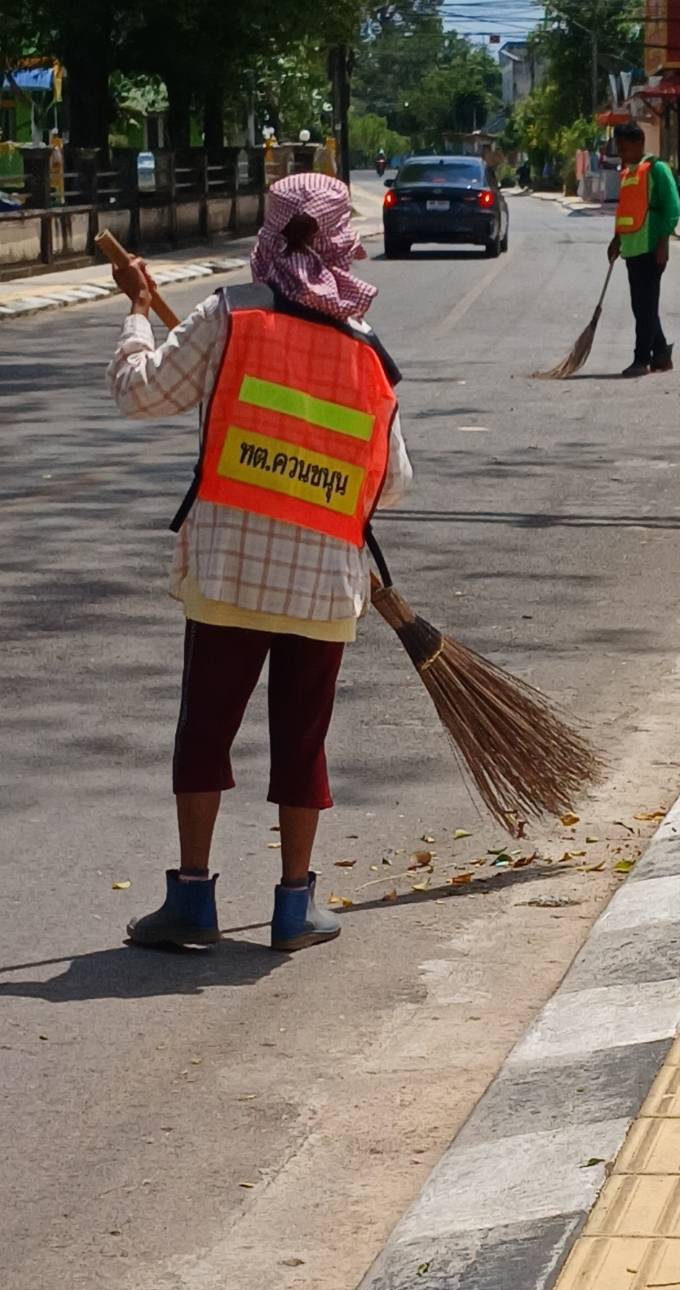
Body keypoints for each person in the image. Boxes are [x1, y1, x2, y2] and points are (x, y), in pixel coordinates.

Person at [107, 173, 412, 952]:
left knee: (204, 729)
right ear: (345, 240)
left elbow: (141, 393)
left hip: (228, 575)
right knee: (301, 742)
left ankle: (192, 902)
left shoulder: (228, 316)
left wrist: (138, 311)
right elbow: (394, 481)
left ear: (268, 236)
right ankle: (292, 907)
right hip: (323, 584)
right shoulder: (369, 352)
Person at [606, 122, 680, 377]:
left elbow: (672, 207)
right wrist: (616, 239)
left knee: (645, 306)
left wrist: (662, 243)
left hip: (652, 248)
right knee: (641, 306)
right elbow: (625, 210)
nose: (621, 153)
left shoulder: (658, 169)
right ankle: (660, 354)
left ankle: (641, 359)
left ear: (639, 143)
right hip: (632, 248)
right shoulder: (628, 173)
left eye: (624, 148)